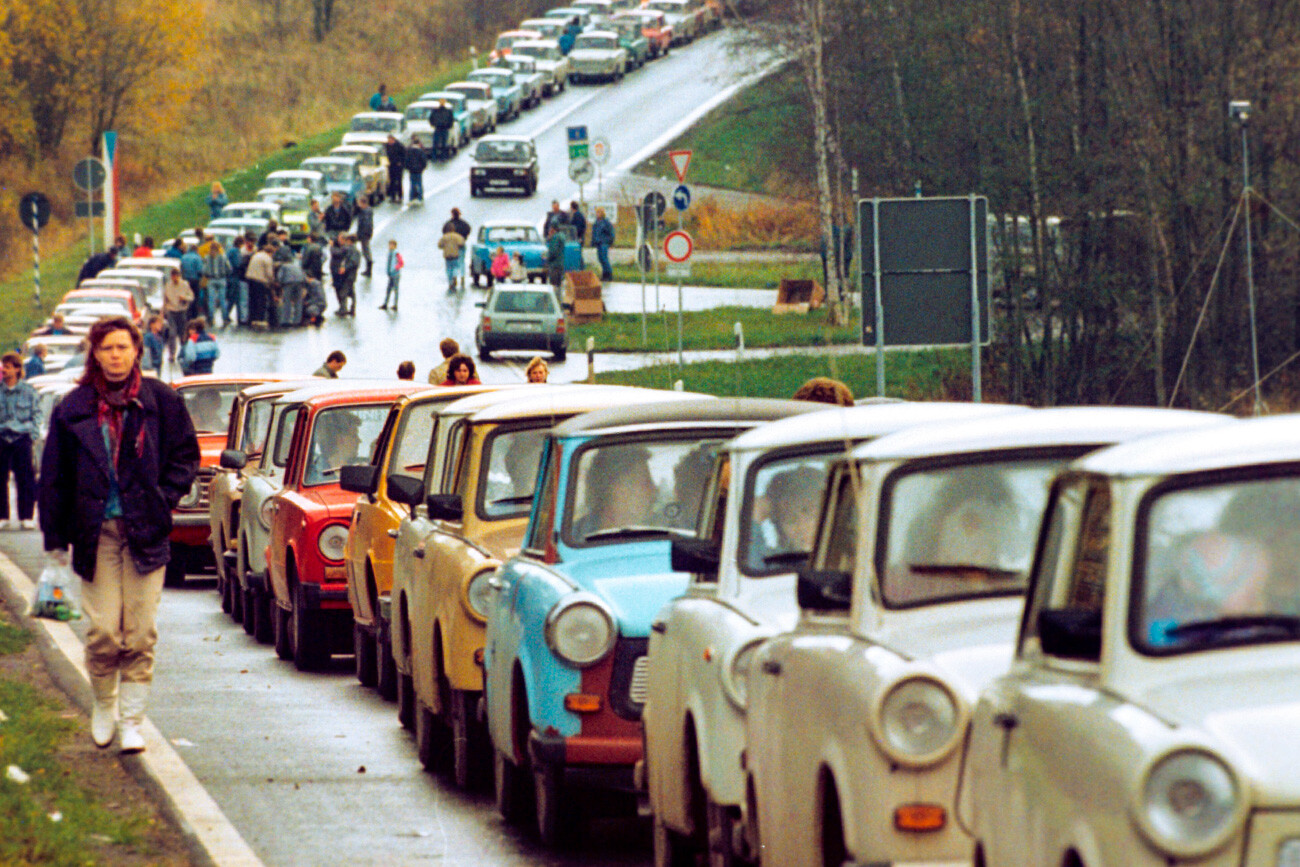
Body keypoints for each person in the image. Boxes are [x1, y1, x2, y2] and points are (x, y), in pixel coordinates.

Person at [38, 316, 200, 753]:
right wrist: (54, 541)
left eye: (122, 347)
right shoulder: (73, 408)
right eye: (106, 347)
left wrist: (164, 496)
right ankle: (104, 703)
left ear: (136, 351)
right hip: (97, 533)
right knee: (106, 632)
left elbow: (186, 453)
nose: (115, 355)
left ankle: (132, 721)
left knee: (141, 632)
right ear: (94, 353)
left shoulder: (160, 401)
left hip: (146, 530)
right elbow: (53, 478)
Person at [574, 445, 658, 539]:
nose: (654, 490)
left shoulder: (660, 532)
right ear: (618, 490)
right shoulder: (575, 538)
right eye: (645, 482)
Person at [0, 352, 41, 530]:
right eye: (3, 366)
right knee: (0, 478)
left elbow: (36, 415)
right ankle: (2, 516)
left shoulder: (29, 391)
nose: (4, 370)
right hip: (1, 438)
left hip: (22, 438)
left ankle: (26, 516)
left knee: (25, 478)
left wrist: (32, 434)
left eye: (8, 367)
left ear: (17, 369)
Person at [162, 270, 194, 363]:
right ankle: (172, 354)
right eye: (173, 276)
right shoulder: (168, 285)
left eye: (176, 276)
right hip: (171, 311)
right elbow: (165, 299)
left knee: (182, 333)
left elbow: (191, 297)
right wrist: (163, 311)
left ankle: (184, 352)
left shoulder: (185, 284)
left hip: (182, 311)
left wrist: (185, 298)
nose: (174, 278)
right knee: (172, 333)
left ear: (179, 276)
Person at [245, 242, 276, 331]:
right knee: (261, 300)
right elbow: (269, 274)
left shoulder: (256, 255)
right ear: (271, 252)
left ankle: (251, 318)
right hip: (260, 280)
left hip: (250, 279)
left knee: (252, 300)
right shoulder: (267, 258)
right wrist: (272, 282)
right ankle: (260, 318)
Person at [203, 238, 231, 326]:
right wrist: (225, 274)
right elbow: (229, 268)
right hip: (222, 279)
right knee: (222, 300)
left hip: (211, 279)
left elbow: (203, 270)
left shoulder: (207, 258)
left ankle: (211, 318)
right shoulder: (223, 257)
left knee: (211, 300)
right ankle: (225, 318)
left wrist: (207, 274)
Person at [333, 234, 361, 315]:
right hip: (349, 276)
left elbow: (353, 262)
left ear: (349, 241)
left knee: (343, 292)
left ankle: (344, 309)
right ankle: (352, 309)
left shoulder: (354, 251)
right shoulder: (352, 250)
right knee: (351, 292)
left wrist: (345, 268)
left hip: (350, 275)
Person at [276, 254, 307, 327]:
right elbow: (303, 275)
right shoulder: (297, 266)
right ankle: (297, 321)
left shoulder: (284, 266)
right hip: (300, 282)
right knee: (298, 301)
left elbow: (280, 276)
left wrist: (280, 284)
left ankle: (285, 321)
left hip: (288, 283)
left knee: (287, 301)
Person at [444, 208, 471, 283]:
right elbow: (468, 229)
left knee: (453, 262)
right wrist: (464, 237)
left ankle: (454, 277)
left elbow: (444, 232)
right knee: (461, 261)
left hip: (451, 246)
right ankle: (462, 276)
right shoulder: (463, 224)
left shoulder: (449, 224)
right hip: (461, 244)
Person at [438, 224, 466, 291]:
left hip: (447, 255)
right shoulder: (457, 236)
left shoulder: (444, 237)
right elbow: (461, 243)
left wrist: (444, 246)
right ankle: (454, 277)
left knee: (448, 269)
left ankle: (450, 282)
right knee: (455, 267)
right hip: (455, 255)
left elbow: (439, 245)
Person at [591, 206, 615, 281]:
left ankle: (609, 274)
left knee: (604, 259)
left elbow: (611, 233)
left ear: (602, 213)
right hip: (598, 243)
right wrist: (593, 241)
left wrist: (610, 242)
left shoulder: (606, 222)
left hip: (604, 243)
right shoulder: (596, 223)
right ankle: (604, 274)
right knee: (600, 258)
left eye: (599, 212)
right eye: (597, 212)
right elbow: (594, 233)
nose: (597, 214)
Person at [354, 197, 374, 277]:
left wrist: (359, 234)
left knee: (366, 250)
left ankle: (369, 269)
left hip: (364, 234)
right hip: (365, 233)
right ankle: (368, 268)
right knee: (365, 250)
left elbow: (365, 224)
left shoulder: (365, 212)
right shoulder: (367, 211)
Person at [380, 240, 403, 310]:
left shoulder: (396, 253)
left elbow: (401, 263)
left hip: (395, 274)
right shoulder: (389, 253)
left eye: (391, 245)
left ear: (395, 246)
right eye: (389, 245)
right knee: (388, 289)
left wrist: (395, 268)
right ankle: (385, 303)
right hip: (390, 274)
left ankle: (395, 305)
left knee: (396, 289)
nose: (390, 246)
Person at [405, 138, 428, 204]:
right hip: (418, 171)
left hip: (412, 171)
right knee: (419, 184)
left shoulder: (409, 151)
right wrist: (422, 168)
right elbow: (424, 161)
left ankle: (411, 198)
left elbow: (407, 161)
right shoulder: (420, 151)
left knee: (412, 184)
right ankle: (420, 197)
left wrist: (408, 168)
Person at [545, 223, 567, 292]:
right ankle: (559, 299)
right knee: (559, 285)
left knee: (553, 285)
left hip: (554, 265)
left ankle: (555, 299)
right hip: (560, 264)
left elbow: (553, 251)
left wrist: (547, 259)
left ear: (553, 229)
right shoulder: (562, 237)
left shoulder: (555, 238)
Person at [384, 135, 406, 203]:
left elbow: (404, 155)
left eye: (390, 139)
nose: (389, 141)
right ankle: (392, 196)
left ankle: (400, 196)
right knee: (392, 181)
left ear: (393, 139)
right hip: (391, 165)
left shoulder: (399, 146)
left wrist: (401, 162)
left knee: (399, 181)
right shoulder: (387, 146)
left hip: (398, 166)